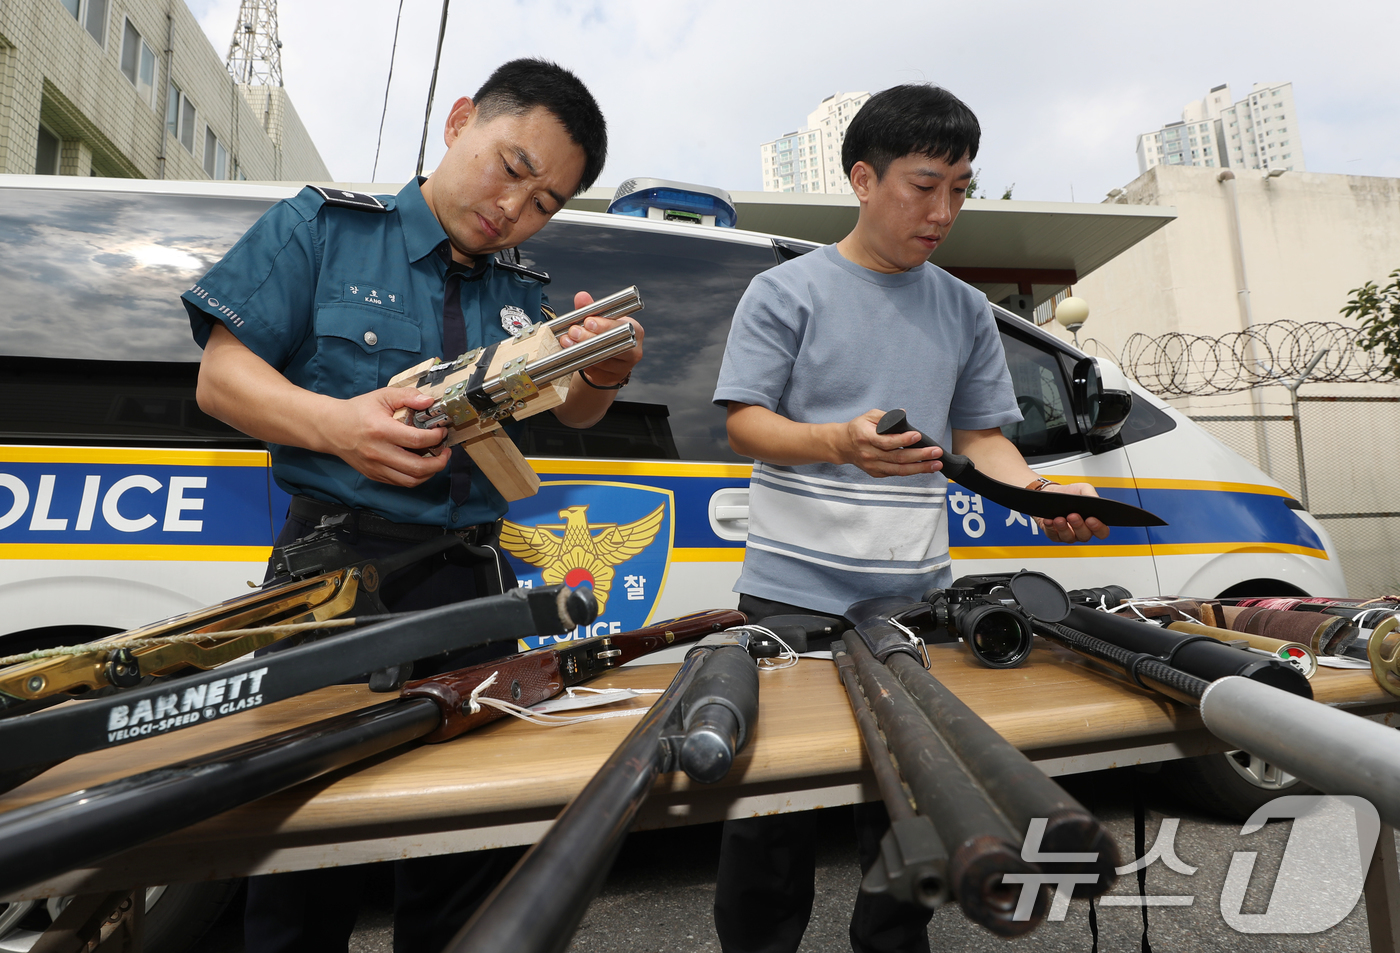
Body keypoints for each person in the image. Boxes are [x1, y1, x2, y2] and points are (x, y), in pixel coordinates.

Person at [182, 58, 642, 953]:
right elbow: (221, 379)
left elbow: (575, 412)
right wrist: (340, 425)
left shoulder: (523, 296)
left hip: (473, 595)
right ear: (460, 119)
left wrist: (600, 374)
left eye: (546, 201)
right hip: (329, 587)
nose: (516, 209)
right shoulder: (321, 230)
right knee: (303, 864)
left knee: (468, 859)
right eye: (512, 167)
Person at [709, 84, 1108, 953]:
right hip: (789, 597)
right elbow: (743, 420)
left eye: (960, 189)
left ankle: (890, 943)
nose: (943, 210)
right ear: (862, 177)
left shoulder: (963, 307)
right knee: (769, 810)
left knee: (914, 798)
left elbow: (983, 438)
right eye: (923, 185)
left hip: (912, 599)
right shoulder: (786, 292)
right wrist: (837, 441)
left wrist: (1038, 499)